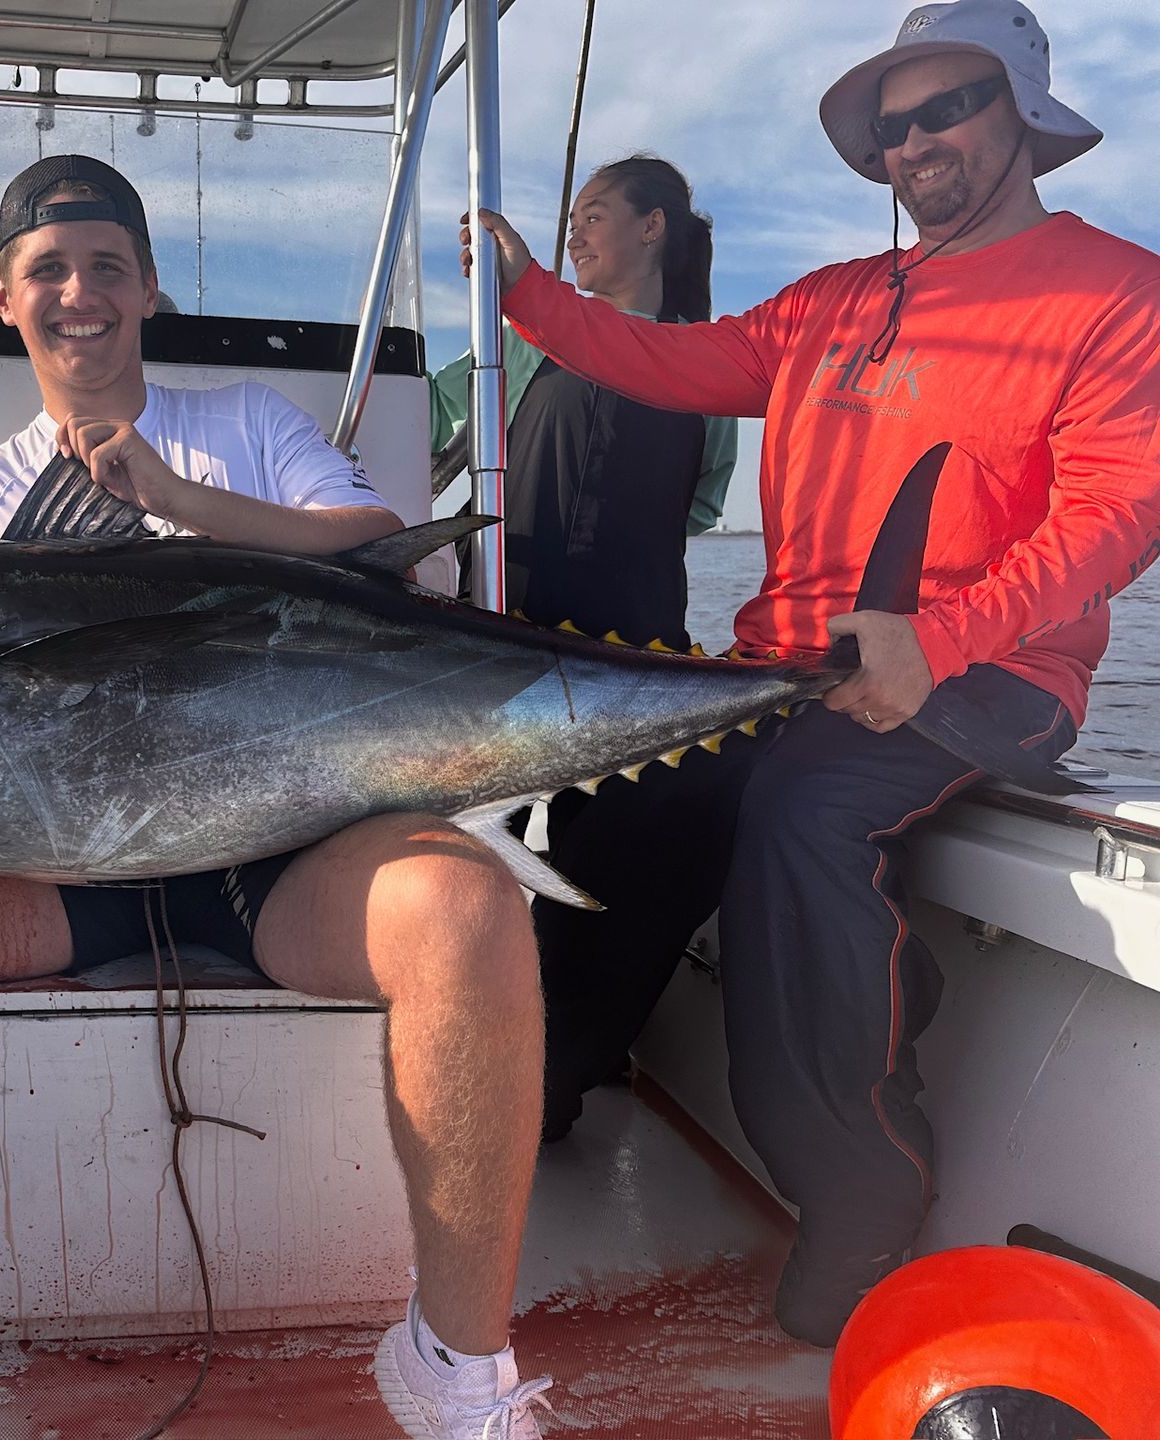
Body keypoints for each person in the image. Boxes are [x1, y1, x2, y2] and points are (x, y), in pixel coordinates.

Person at [0, 155, 559, 1440]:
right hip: (62, 877)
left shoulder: (251, 422)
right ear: (6, 300)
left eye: (108, 267)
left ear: (149, 290)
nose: (81, 293)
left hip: (288, 853)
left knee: (467, 910)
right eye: (50, 270)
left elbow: (385, 554)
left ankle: (457, 1370)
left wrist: (177, 502)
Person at [464, 0, 1160, 1347]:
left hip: (990, 673)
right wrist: (527, 293)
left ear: (1023, 112)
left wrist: (937, 640)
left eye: (948, 108)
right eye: (893, 127)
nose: (915, 143)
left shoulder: (1117, 291)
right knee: (635, 788)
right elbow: (675, 361)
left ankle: (859, 1186)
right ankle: (550, 1076)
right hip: (787, 663)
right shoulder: (835, 299)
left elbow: (1117, 514)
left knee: (801, 808)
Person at [432, 154, 735, 647]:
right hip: (505, 633)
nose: (575, 240)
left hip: (640, 655)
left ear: (651, 226)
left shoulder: (711, 362)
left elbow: (700, 504)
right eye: (573, 226)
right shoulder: (524, 338)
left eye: (593, 218)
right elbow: (428, 414)